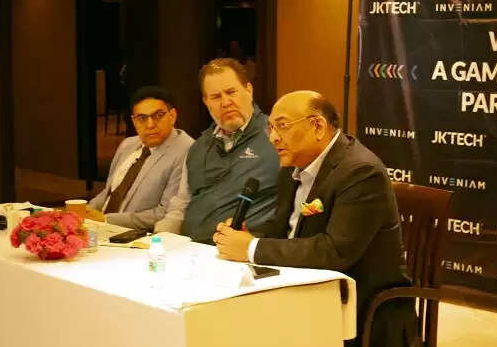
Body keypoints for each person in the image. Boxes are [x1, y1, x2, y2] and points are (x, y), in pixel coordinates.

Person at [213, 91, 421, 347]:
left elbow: (334, 251)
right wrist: (247, 237)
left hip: (361, 306)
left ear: (318, 126)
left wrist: (251, 248)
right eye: (271, 128)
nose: (274, 137)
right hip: (305, 289)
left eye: (283, 126)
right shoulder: (292, 168)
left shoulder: (361, 172)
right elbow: (282, 228)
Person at [155, 58, 279, 243]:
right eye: (215, 97)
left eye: (231, 92)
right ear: (206, 102)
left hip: (244, 252)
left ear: (249, 90)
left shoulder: (277, 137)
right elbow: (180, 205)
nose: (226, 102)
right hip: (190, 248)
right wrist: (160, 239)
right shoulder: (198, 148)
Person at [87, 86, 194, 231]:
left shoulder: (187, 150)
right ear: (134, 121)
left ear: (172, 116)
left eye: (158, 115)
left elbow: (166, 212)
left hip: (136, 235)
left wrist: (106, 220)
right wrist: (87, 210)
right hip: (99, 228)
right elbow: (109, 192)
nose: (150, 125)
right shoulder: (127, 145)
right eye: (142, 118)